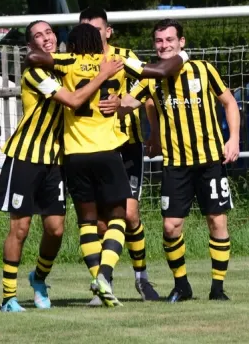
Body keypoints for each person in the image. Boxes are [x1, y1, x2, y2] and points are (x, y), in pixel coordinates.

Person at [27, 23, 187, 307]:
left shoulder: (68, 62)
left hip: (75, 154)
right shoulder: (116, 62)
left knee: (87, 221)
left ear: (74, 45)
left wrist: (53, 56)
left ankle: (99, 284)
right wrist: (184, 57)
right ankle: (105, 274)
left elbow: (36, 58)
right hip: (108, 151)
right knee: (117, 218)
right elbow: (159, 71)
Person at [0, 20, 124, 313]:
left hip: (56, 160)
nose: (46, 38)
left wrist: (118, 101)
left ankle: (38, 279)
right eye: (38, 35)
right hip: (26, 157)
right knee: (21, 228)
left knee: (55, 229)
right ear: (31, 44)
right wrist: (103, 75)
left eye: (49, 32)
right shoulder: (36, 73)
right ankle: (8, 297)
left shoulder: (69, 66)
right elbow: (75, 100)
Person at [120, 19, 240, 302]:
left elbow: (229, 102)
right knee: (171, 226)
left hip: (210, 160)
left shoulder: (203, 69)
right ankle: (182, 285)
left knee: (217, 221)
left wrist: (233, 138)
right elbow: (126, 104)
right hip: (175, 163)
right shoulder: (150, 79)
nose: (164, 45)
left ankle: (218, 288)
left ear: (181, 42)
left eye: (169, 40)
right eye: (159, 41)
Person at [79, 6, 160, 303]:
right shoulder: (75, 61)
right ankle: (102, 283)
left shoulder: (124, 56)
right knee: (100, 221)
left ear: (108, 31)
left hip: (125, 143)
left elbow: (147, 83)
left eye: (96, 30)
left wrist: (128, 103)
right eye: (85, 30)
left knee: (129, 213)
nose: (91, 36)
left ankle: (142, 278)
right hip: (89, 147)